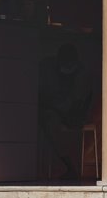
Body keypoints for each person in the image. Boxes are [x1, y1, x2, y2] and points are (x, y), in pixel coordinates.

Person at [38, 43, 92, 182]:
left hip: (72, 112)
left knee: (54, 124)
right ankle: (67, 167)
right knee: (48, 122)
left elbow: (77, 102)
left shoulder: (81, 74)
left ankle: (70, 167)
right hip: (50, 110)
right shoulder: (46, 68)